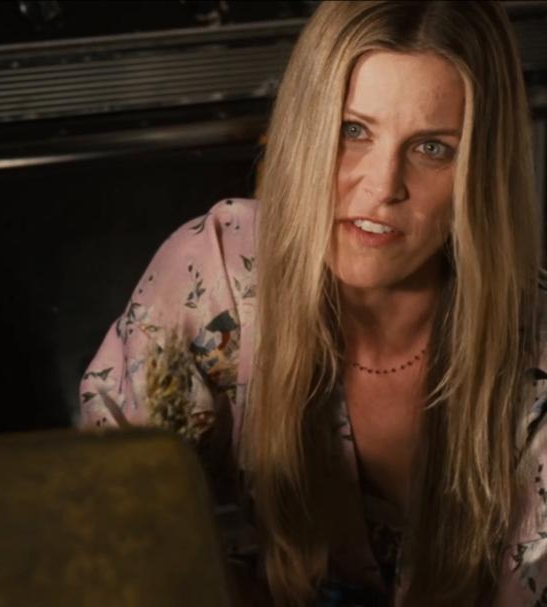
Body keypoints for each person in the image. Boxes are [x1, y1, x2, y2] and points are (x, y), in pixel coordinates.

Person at [78, 2, 545, 605]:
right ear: (306, 128)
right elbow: (108, 522)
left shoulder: (535, 349)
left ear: (481, 170)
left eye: (432, 148)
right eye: (354, 131)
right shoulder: (217, 270)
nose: (382, 187)